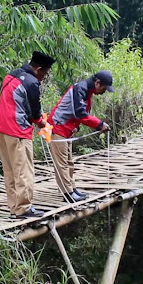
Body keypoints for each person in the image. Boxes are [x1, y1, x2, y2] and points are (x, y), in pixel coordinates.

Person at [0, 51, 56, 219]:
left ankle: (14, 207)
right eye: (45, 73)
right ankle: (24, 208)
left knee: (10, 170)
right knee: (24, 170)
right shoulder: (31, 82)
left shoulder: (11, 76)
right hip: (17, 131)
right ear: (39, 69)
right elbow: (35, 112)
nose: (44, 77)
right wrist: (42, 123)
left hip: (1, 128)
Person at [48, 70, 114, 202]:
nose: (104, 91)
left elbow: (76, 114)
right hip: (57, 128)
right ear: (97, 83)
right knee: (62, 164)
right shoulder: (80, 89)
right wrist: (99, 124)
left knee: (69, 162)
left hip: (67, 130)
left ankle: (72, 189)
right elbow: (80, 113)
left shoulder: (87, 91)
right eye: (104, 88)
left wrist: (76, 127)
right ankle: (67, 193)